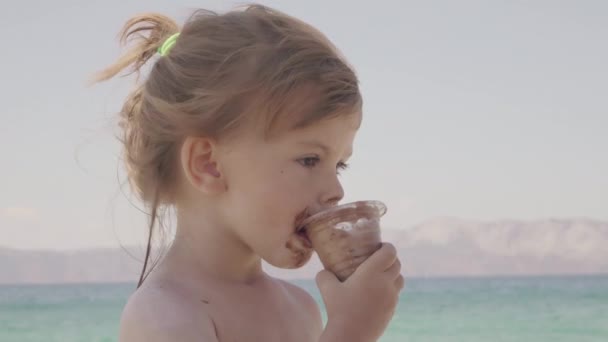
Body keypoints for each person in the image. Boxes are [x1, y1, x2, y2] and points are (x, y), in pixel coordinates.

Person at [93, 4, 404, 341]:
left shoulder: (300, 308)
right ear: (208, 164)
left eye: (339, 164)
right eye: (310, 160)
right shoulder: (164, 316)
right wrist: (352, 329)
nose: (336, 191)